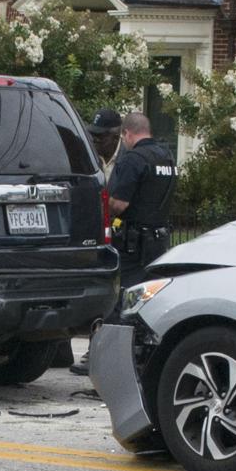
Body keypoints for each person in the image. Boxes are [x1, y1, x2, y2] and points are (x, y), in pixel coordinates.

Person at [72, 112, 176, 375]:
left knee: (117, 301)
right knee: (147, 299)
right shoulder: (166, 158)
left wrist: (96, 211)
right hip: (157, 241)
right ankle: (141, 356)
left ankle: (104, 359)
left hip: (132, 242)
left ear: (127, 134)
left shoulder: (133, 159)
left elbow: (119, 203)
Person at [58, 108, 122, 371]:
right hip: (86, 234)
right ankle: (59, 350)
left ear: (117, 135)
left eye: (102, 136)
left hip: (118, 237)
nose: (96, 141)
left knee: (107, 298)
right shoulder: (91, 158)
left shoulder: (127, 160)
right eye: (93, 135)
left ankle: (97, 352)